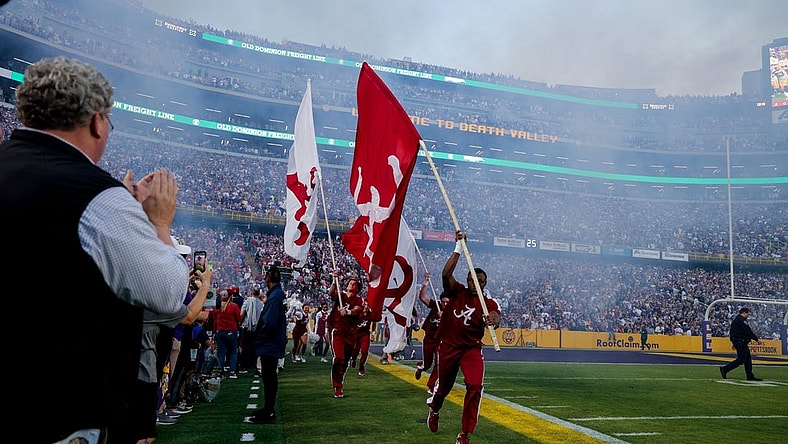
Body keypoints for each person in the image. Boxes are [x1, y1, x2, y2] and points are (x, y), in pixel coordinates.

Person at [0, 56, 192, 444]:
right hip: (59, 413)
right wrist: (159, 224)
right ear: (96, 121)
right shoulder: (96, 197)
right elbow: (170, 297)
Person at [427, 230, 501, 444]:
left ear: (484, 284)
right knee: (443, 388)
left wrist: (493, 321)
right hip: (449, 347)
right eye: (474, 278)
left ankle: (465, 434)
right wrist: (458, 248)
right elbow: (445, 274)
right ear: (468, 278)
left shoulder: (487, 303)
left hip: (471, 349)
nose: (477, 282)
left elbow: (496, 316)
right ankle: (435, 409)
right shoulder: (456, 291)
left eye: (481, 280)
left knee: (475, 386)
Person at [246, 265, 288, 424]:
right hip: (273, 342)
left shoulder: (275, 296)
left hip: (269, 343)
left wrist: (259, 338)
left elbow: (269, 323)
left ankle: (269, 411)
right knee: (269, 376)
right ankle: (268, 409)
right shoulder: (277, 294)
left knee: (269, 376)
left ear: (268, 278)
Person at [328, 270, 366, 398]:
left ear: (357, 289)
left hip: (351, 334)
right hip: (338, 332)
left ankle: (340, 379)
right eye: (350, 283)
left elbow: (357, 310)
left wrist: (348, 312)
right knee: (339, 358)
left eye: (353, 284)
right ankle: (337, 386)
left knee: (345, 361)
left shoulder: (359, 299)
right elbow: (330, 293)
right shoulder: (341, 295)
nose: (351, 285)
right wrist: (334, 280)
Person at [415, 274, 448, 395]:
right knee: (427, 364)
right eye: (443, 302)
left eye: (447, 302)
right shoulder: (435, 305)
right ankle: (421, 367)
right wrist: (426, 283)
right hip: (429, 338)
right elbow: (422, 297)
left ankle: (431, 385)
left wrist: (444, 317)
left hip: (441, 340)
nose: (445, 304)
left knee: (439, 362)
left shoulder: (451, 312)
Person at [720, 307, 762, 381]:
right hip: (741, 342)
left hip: (740, 341)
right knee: (742, 359)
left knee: (747, 359)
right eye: (748, 313)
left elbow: (734, 332)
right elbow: (748, 331)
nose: (748, 315)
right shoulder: (741, 320)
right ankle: (725, 369)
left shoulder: (737, 320)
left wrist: (734, 342)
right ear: (744, 313)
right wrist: (756, 339)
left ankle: (750, 376)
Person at [209, 289, 242, 378]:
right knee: (233, 352)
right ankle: (232, 372)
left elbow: (214, 320)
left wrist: (214, 331)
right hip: (231, 331)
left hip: (220, 331)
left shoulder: (217, 307)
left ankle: (220, 372)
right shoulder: (234, 306)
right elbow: (239, 319)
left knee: (221, 352)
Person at [239, 286, 264, 373]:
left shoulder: (247, 301)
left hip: (247, 326)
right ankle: (253, 363)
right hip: (256, 327)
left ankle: (244, 364)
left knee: (245, 346)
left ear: (251, 292)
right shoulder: (261, 304)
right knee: (254, 346)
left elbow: (242, 314)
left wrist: (239, 323)